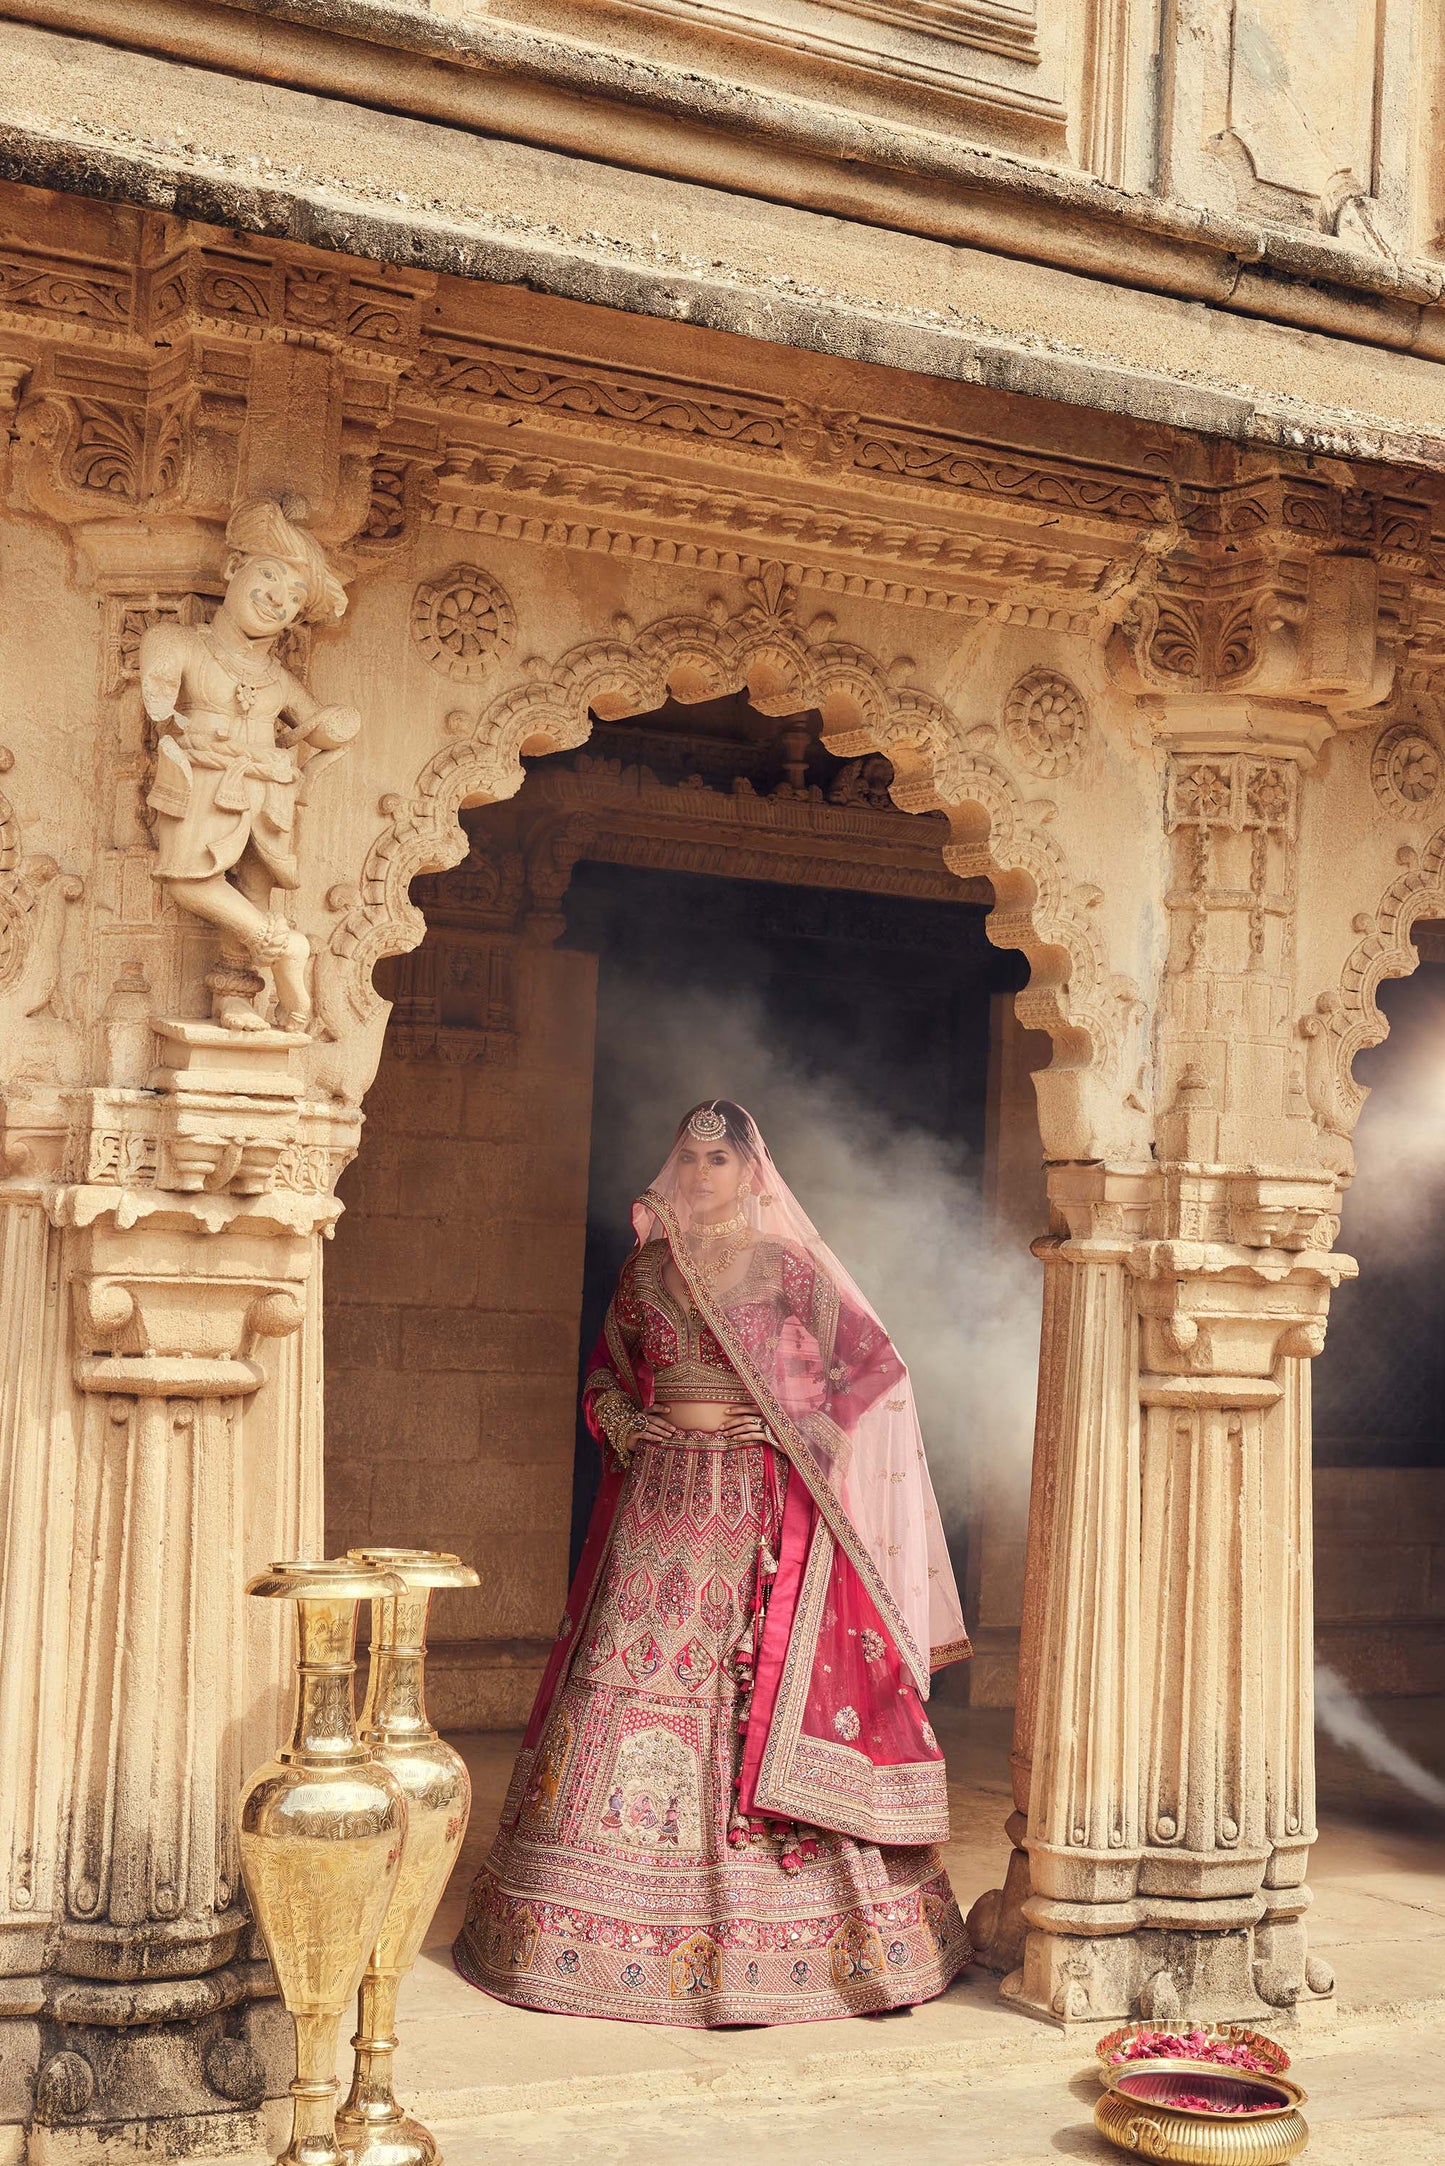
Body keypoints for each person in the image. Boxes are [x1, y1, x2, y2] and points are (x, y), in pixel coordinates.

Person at [454, 1100, 972, 2024]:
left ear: (751, 1172)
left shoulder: (789, 1270)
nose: (699, 1174)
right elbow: (606, 1375)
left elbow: (868, 1372)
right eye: (688, 1158)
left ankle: (795, 1935)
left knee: (740, 1688)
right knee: (622, 1682)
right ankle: (581, 1915)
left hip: (753, 1508)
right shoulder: (646, 1270)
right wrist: (626, 1421)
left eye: (719, 1159)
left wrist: (793, 1427)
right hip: (657, 1507)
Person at [138, 496, 360, 1032]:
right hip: (207, 780)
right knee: (188, 877)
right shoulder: (177, 642)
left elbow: (319, 725)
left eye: (294, 598)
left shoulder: (277, 679)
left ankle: (235, 998)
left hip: (267, 791)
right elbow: (159, 709)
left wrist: (331, 730)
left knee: (254, 890)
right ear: (234, 568)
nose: (277, 601)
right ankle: (285, 947)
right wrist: (175, 721)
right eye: (269, 578)